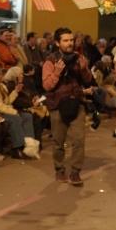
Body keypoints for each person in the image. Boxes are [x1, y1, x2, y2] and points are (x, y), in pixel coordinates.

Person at [42, 27, 96, 186]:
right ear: (58, 43)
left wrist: (84, 68)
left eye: (71, 40)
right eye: (65, 40)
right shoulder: (50, 61)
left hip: (76, 102)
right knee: (59, 142)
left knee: (79, 140)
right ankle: (59, 170)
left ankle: (75, 172)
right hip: (57, 105)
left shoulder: (80, 58)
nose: (69, 43)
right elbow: (47, 86)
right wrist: (57, 72)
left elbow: (88, 80)